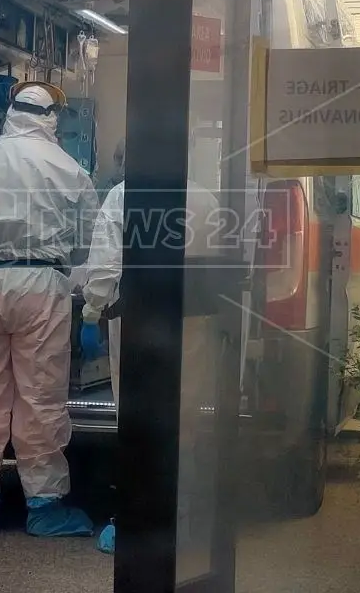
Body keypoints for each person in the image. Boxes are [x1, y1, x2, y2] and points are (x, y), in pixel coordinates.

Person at [0, 81, 100, 537]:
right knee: (39, 396)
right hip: (40, 283)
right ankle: (45, 506)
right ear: (52, 117)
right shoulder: (68, 167)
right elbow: (89, 238)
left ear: (12, 112)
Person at [79, 175, 222, 554]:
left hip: (138, 319)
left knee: (136, 416)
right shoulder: (206, 197)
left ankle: (133, 518)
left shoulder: (123, 194)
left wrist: (92, 312)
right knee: (185, 417)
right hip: (194, 319)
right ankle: (181, 516)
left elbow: (107, 265)